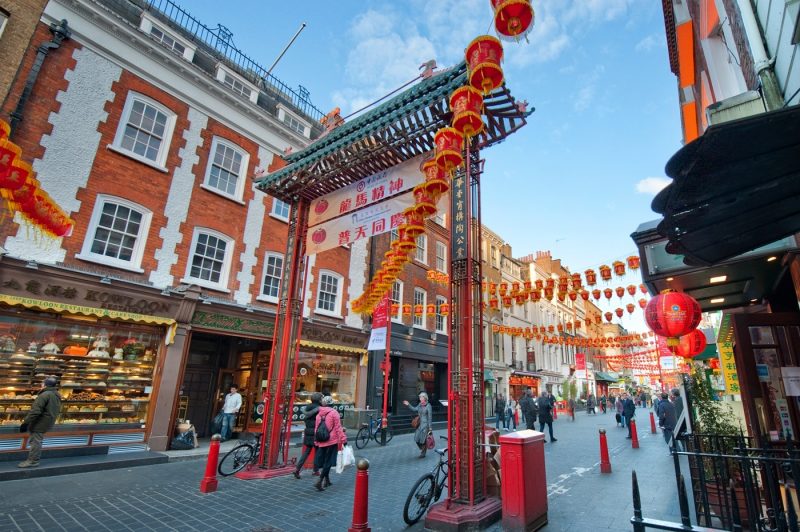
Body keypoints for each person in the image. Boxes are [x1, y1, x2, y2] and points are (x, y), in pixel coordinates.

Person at [18, 375, 62, 468]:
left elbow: (35, 411)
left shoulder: (44, 394)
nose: (41, 384)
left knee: (35, 442)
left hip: (40, 422)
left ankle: (33, 461)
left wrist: (25, 422)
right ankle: (33, 460)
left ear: (45, 385)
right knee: (37, 441)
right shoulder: (56, 394)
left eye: (42, 383)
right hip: (48, 421)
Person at [313, 395, 347, 491]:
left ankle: (327, 480)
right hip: (331, 440)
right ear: (332, 403)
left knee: (323, 460)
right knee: (328, 462)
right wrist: (343, 439)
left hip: (321, 439)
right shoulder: (334, 413)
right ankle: (320, 481)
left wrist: (316, 440)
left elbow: (316, 428)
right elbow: (338, 428)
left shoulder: (319, 414)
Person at [294, 392, 322, 479]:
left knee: (307, 452)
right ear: (319, 400)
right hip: (316, 432)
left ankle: (297, 469)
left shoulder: (307, 408)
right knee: (318, 452)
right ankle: (315, 470)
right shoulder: (320, 409)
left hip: (308, 432)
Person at [404, 392, 433, 458]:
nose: (420, 398)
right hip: (419, 424)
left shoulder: (429, 406)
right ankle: (422, 448)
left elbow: (430, 417)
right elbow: (414, 409)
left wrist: (430, 428)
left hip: (425, 425)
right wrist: (408, 404)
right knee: (416, 438)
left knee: (423, 439)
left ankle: (423, 453)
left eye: (421, 397)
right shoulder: (420, 404)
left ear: (424, 398)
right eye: (419, 397)